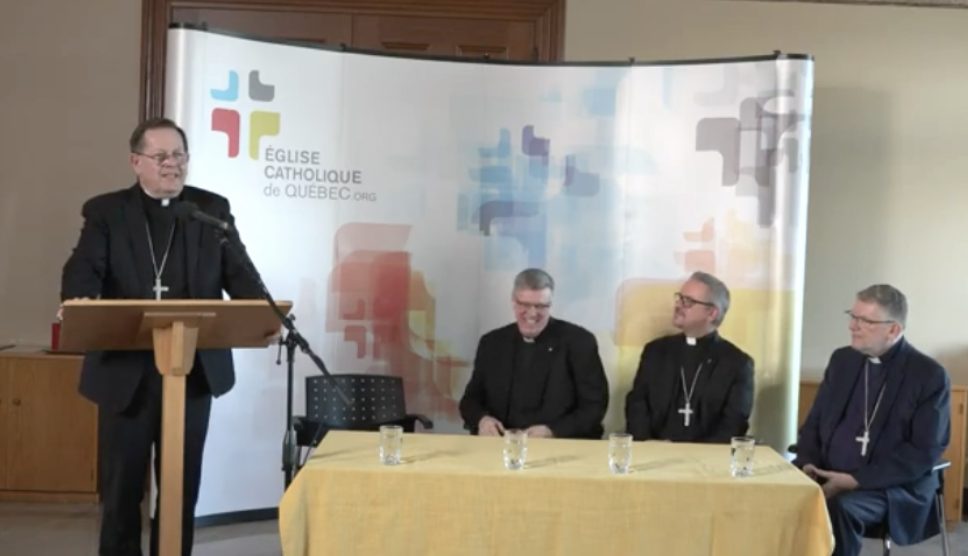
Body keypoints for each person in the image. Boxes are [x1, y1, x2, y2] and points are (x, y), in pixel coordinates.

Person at [61, 117, 263, 556]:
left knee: (181, 491)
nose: (172, 164)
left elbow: (241, 276)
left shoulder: (209, 210)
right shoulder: (107, 212)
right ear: (136, 162)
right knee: (121, 494)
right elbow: (84, 268)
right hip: (125, 375)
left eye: (179, 155)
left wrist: (263, 308)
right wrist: (80, 298)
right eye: (161, 156)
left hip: (192, 372)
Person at [794, 284, 950, 556]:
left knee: (840, 507)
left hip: (890, 486)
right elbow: (814, 423)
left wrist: (856, 480)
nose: (852, 326)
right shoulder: (842, 360)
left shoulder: (928, 375)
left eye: (865, 320)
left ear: (893, 330)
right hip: (826, 472)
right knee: (777, 496)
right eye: (852, 316)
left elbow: (924, 450)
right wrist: (808, 462)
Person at [459, 268, 609, 439]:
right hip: (500, 444)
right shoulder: (492, 343)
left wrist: (553, 431)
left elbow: (594, 407)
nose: (532, 313)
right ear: (513, 302)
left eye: (540, 306)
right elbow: (470, 401)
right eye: (524, 304)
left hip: (559, 445)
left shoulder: (579, 342)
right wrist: (482, 420)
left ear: (550, 305)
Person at [625, 271, 754, 442]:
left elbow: (734, 423)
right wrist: (648, 444)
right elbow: (637, 405)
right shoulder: (655, 351)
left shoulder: (736, 363)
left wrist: (697, 453)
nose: (678, 305)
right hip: (653, 451)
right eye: (679, 298)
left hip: (709, 456)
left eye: (688, 301)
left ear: (711, 313)